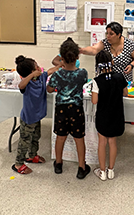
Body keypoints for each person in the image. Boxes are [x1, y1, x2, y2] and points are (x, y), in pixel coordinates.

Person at [47, 37, 91, 179]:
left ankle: (58, 164)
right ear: (77, 56)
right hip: (76, 109)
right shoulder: (82, 73)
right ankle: (81, 168)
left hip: (61, 108)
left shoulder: (57, 74)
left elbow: (49, 89)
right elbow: (82, 83)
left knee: (60, 137)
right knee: (79, 138)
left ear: (61, 57)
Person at [11, 55, 61, 175]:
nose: (39, 68)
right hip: (28, 118)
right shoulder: (27, 84)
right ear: (31, 73)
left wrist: (60, 65)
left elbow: (50, 71)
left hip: (37, 116)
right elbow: (21, 86)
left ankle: (32, 156)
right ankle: (18, 163)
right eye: (36, 67)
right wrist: (31, 76)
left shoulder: (41, 78)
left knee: (36, 136)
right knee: (25, 140)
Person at [91, 50, 128, 181]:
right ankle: (111, 170)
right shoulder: (120, 77)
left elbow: (94, 101)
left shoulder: (96, 81)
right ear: (112, 62)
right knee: (113, 142)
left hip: (102, 116)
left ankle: (102, 172)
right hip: (116, 115)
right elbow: (125, 93)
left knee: (102, 142)